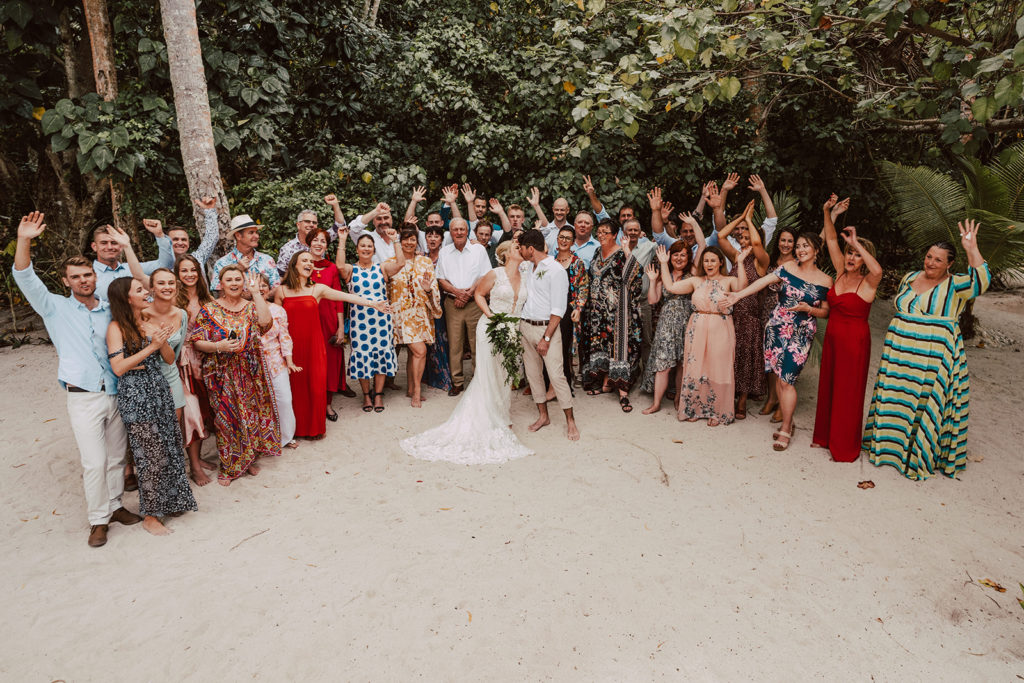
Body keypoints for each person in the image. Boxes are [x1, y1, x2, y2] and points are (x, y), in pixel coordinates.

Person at [11, 212, 142, 548]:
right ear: (66, 281)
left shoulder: (111, 309)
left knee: (115, 457)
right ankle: (98, 519)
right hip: (83, 396)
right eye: (76, 276)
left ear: (94, 277)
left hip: (116, 391)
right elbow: (24, 276)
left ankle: (114, 507)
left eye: (87, 274)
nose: (84, 280)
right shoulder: (54, 307)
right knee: (93, 461)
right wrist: (24, 239)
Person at [862, 220, 989, 480]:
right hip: (899, 355)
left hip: (932, 358)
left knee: (923, 405)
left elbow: (981, 284)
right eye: (929, 257)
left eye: (938, 260)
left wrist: (971, 247)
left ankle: (917, 456)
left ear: (949, 264)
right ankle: (887, 450)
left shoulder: (957, 285)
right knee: (897, 399)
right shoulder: (909, 278)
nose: (930, 262)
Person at [400, 239, 534, 463]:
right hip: (491, 327)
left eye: (521, 247)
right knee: (488, 373)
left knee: (505, 374)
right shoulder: (494, 273)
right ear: (507, 254)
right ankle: (493, 417)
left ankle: (502, 413)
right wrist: (491, 316)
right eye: (515, 248)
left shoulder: (527, 273)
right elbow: (479, 294)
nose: (520, 250)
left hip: (513, 329)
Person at [105, 276, 198, 535]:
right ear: (127, 298)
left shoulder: (147, 321)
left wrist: (162, 341)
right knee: (149, 455)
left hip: (159, 389)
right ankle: (151, 516)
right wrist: (151, 348)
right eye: (139, 290)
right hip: (135, 395)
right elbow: (120, 367)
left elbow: (169, 360)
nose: (146, 292)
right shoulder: (116, 327)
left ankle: (171, 502)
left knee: (170, 446)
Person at [725, 233, 833, 450]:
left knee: (787, 380)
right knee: (778, 376)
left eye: (806, 246)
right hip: (777, 328)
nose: (800, 249)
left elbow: (825, 313)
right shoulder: (787, 268)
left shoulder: (826, 280)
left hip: (801, 333)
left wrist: (809, 309)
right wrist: (738, 296)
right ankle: (788, 420)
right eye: (799, 246)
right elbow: (762, 282)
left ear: (817, 251)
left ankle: (785, 427)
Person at [278, 250, 389, 434]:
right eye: (304, 260)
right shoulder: (281, 291)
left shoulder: (318, 289)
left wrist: (372, 303)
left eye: (311, 261)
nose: (309, 263)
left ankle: (313, 429)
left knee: (315, 387)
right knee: (294, 389)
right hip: (292, 348)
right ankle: (294, 431)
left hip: (314, 346)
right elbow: (276, 322)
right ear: (294, 265)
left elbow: (346, 297)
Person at [188, 266, 281, 484]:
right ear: (220, 284)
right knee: (227, 420)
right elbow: (197, 341)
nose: (233, 283)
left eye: (238, 279)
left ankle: (248, 461)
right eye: (228, 279)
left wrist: (257, 293)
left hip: (250, 371)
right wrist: (218, 346)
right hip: (221, 373)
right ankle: (229, 467)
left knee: (249, 417)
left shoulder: (251, 306)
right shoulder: (209, 310)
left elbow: (266, 324)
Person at [812, 195, 883, 462]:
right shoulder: (841, 271)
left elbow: (878, 270)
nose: (851, 257)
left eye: (856, 254)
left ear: (864, 258)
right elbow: (831, 240)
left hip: (855, 342)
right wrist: (827, 210)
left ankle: (843, 446)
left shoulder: (868, 282)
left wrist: (856, 242)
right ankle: (825, 436)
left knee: (848, 391)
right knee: (829, 385)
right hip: (832, 337)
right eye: (850, 252)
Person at [660, 245, 748, 425]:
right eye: (706, 260)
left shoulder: (729, 280)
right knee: (695, 367)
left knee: (718, 367)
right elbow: (670, 287)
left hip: (720, 326)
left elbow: (743, 287)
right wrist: (663, 263)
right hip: (697, 327)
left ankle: (716, 412)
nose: (709, 264)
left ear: (720, 262)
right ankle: (694, 408)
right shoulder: (696, 281)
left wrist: (740, 262)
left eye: (713, 260)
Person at [517, 229, 580, 441]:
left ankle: (570, 421)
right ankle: (543, 416)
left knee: (556, 375)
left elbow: (559, 309)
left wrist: (546, 338)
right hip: (526, 327)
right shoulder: (526, 267)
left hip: (548, 329)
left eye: (522, 248)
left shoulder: (555, 270)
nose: (520, 251)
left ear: (530, 248)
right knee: (533, 375)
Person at [713, 201, 770, 419]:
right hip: (731, 312)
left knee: (746, 355)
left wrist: (749, 220)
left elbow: (756, 241)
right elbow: (721, 236)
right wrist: (742, 217)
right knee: (729, 354)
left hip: (749, 314)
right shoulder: (736, 257)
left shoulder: (761, 261)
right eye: (741, 238)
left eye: (747, 238)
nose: (744, 241)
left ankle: (743, 398)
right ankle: (729, 392)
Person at [383, 225, 443, 407]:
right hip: (400, 314)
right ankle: (417, 392)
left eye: (412, 239)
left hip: (419, 313)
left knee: (413, 352)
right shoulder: (390, 262)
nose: (409, 242)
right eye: (406, 239)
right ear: (399, 242)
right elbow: (385, 290)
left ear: (417, 242)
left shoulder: (425, 262)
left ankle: (411, 389)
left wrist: (428, 290)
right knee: (420, 351)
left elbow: (433, 288)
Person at [339, 235, 397, 412]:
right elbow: (339, 266)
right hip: (360, 322)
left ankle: (378, 395)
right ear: (356, 249)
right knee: (362, 356)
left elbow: (400, 264)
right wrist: (342, 239)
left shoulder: (382, 268)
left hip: (381, 321)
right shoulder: (351, 269)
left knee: (380, 355)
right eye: (362, 246)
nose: (366, 248)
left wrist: (396, 241)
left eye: (369, 246)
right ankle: (366, 395)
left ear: (374, 249)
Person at [435, 217, 492, 396]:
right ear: (450, 232)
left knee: (477, 344)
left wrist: (468, 293)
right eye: (455, 230)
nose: (459, 232)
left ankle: (478, 381)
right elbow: (441, 278)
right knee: (455, 344)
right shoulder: (444, 252)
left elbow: (485, 275)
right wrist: (456, 292)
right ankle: (457, 382)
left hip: (475, 303)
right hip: (453, 304)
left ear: (467, 231)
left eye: (462, 229)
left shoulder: (479, 250)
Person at [173, 254, 217, 486]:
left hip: (207, 361)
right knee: (192, 412)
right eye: (184, 271)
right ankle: (195, 467)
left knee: (206, 410)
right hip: (183, 364)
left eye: (193, 270)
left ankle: (196, 458)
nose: (189, 274)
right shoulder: (173, 301)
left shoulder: (208, 299)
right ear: (177, 274)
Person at [306, 225, 355, 418]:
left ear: (327, 246)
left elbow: (338, 298)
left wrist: (341, 327)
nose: (319, 244)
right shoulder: (301, 264)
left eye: (323, 241)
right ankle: (312, 400)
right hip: (308, 319)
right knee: (311, 361)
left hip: (328, 319)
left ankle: (327, 403)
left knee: (330, 360)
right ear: (309, 242)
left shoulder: (332, 268)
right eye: (316, 240)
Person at [640, 241, 694, 414]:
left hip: (687, 321)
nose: (679, 258)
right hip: (667, 323)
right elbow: (653, 300)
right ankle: (656, 403)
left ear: (688, 257)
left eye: (683, 254)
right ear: (670, 257)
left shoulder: (693, 274)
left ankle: (679, 397)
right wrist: (653, 280)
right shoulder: (665, 274)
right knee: (663, 364)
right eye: (676, 254)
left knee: (682, 364)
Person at [581, 219, 628, 408]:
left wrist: (627, 250)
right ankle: (606, 383)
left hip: (614, 311)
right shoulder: (596, 252)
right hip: (595, 310)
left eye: (605, 232)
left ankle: (623, 391)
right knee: (600, 344)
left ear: (615, 234)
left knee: (616, 347)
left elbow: (633, 275)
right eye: (599, 232)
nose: (601, 235)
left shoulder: (621, 253)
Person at [760, 226, 797, 420]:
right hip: (768, 311)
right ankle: (771, 398)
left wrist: (830, 215)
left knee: (787, 360)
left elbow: (819, 243)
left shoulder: (799, 264)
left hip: (789, 315)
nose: (786, 244)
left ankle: (783, 403)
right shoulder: (771, 262)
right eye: (783, 240)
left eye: (790, 241)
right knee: (770, 358)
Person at [258, 274, 299, 449]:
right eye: (256, 286)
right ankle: (263, 440)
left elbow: (285, 337)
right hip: (253, 364)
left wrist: (289, 361)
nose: (261, 289)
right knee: (259, 403)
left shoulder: (278, 310)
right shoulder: (244, 310)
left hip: (276, 361)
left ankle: (286, 437)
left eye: (264, 285)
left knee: (284, 399)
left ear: (269, 289)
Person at [91, 220, 174, 300]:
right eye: (104, 243)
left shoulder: (135, 268)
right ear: (94, 246)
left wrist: (159, 235)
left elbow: (165, 265)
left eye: (114, 243)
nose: (109, 247)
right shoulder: (87, 275)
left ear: (120, 246)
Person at [552, 226, 589, 391]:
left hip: (570, 309)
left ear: (573, 242)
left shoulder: (577, 263)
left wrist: (579, 308)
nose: (564, 240)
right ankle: (557, 381)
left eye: (568, 238)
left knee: (567, 345)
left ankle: (569, 379)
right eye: (561, 237)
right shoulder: (550, 262)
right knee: (555, 346)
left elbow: (583, 287)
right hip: (553, 309)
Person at [421, 225, 455, 392]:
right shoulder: (420, 258)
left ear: (442, 240)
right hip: (423, 304)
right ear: (425, 239)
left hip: (441, 302)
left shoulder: (446, 257)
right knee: (426, 340)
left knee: (441, 338)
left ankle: (443, 376)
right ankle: (426, 376)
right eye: (429, 235)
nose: (433, 239)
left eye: (436, 236)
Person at [275, 195, 347, 274]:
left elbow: (341, 226)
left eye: (314, 222)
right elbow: (281, 276)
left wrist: (335, 205)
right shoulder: (287, 249)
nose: (311, 224)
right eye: (307, 221)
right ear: (298, 225)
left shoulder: (322, 239)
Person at [209, 214, 280, 293]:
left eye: (256, 232)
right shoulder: (221, 263)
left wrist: (257, 296)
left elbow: (276, 290)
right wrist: (238, 270)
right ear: (238, 236)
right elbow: (220, 295)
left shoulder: (267, 260)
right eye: (251, 232)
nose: (256, 236)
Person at [167, 196, 221, 270]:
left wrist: (209, 210)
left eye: (183, 240)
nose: (180, 243)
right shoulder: (160, 265)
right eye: (175, 239)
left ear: (188, 244)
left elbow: (212, 236)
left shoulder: (197, 259)